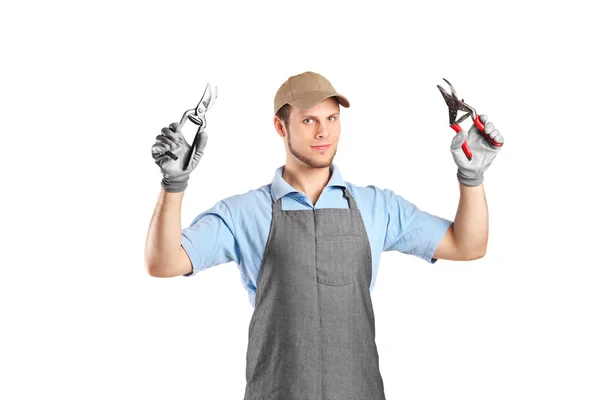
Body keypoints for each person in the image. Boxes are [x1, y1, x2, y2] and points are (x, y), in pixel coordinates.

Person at [145, 71, 504, 399]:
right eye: (309, 120)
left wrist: (471, 178)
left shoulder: (376, 206)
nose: (323, 132)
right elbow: (164, 263)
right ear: (280, 127)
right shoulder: (242, 213)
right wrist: (173, 183)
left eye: (332, 119)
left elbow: (467, 246)